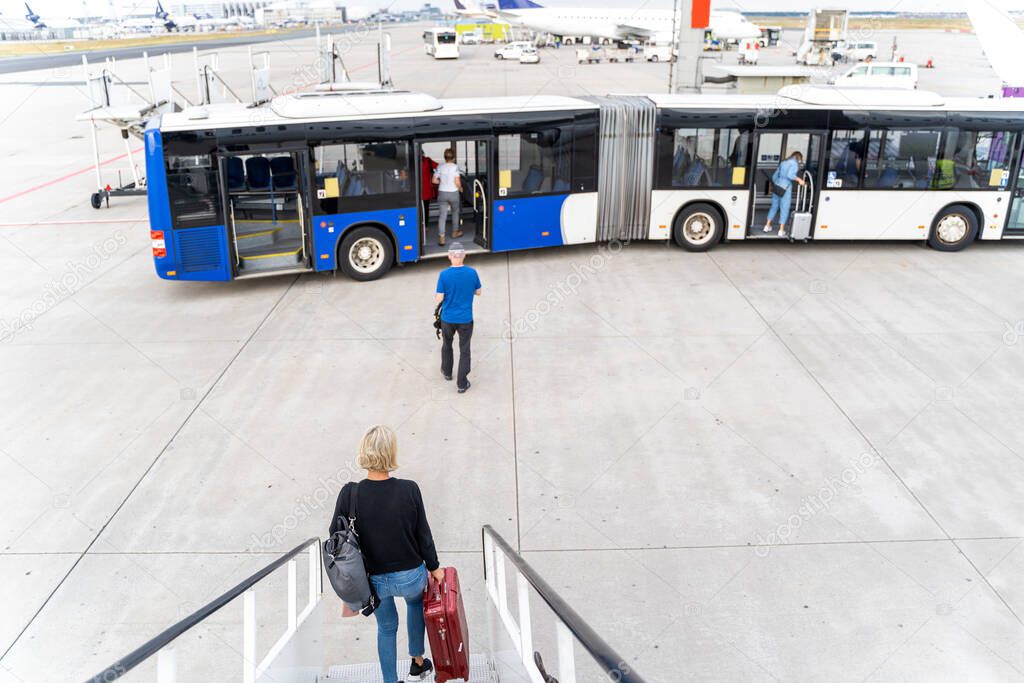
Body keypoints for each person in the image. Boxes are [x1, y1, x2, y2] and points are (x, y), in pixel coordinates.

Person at [329, 425, 445, 683]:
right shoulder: (409, 489)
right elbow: (423, 535)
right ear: (391, 453)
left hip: (374, 581)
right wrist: (434, 567)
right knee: (415, 603)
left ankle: (391, 681)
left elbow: (335, 537)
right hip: (410, 576)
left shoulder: (351, 493)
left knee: (386, 627)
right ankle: (417, 661)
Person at [435, 241, 481, 393]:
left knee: (447, 344)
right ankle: (462, 384)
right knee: (465, 350)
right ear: (464, 256)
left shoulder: (444, 275)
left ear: (449, 256)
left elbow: (439, 298)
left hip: (447, 319)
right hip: (465, 319)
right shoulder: (472, 273)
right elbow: (478, 292)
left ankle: (447, 372)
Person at [763, 150, 805, 238]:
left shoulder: (783, 162)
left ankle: (767, 226)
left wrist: (776, 184)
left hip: (777, 186)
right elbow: (790, 175)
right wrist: (799, 180)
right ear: (798, 158)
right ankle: (781, 230)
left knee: (774, 206)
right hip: (786, 188)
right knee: (784, 208)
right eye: (801, 159)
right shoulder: (794, 164)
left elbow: (775, 176)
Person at [432, 148, 463, 247]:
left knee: (442, 216)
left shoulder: (440, 167)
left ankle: (441, 237)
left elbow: (434, 180)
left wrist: (441, 182)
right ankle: (455, 232)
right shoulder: (455, 167)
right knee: (455, 212)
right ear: (453, 157)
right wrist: (461, 188)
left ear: (444, 157)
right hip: (453, 193)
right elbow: (457, 181)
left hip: (442, 193)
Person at [420, 154, 438, 233]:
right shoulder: (428, 161)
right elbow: (438, 167)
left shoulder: (412, 161)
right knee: (426, 209)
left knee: (418, 210)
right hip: (427, 191)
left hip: (417, 191)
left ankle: (420, 225)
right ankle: (425, 225)